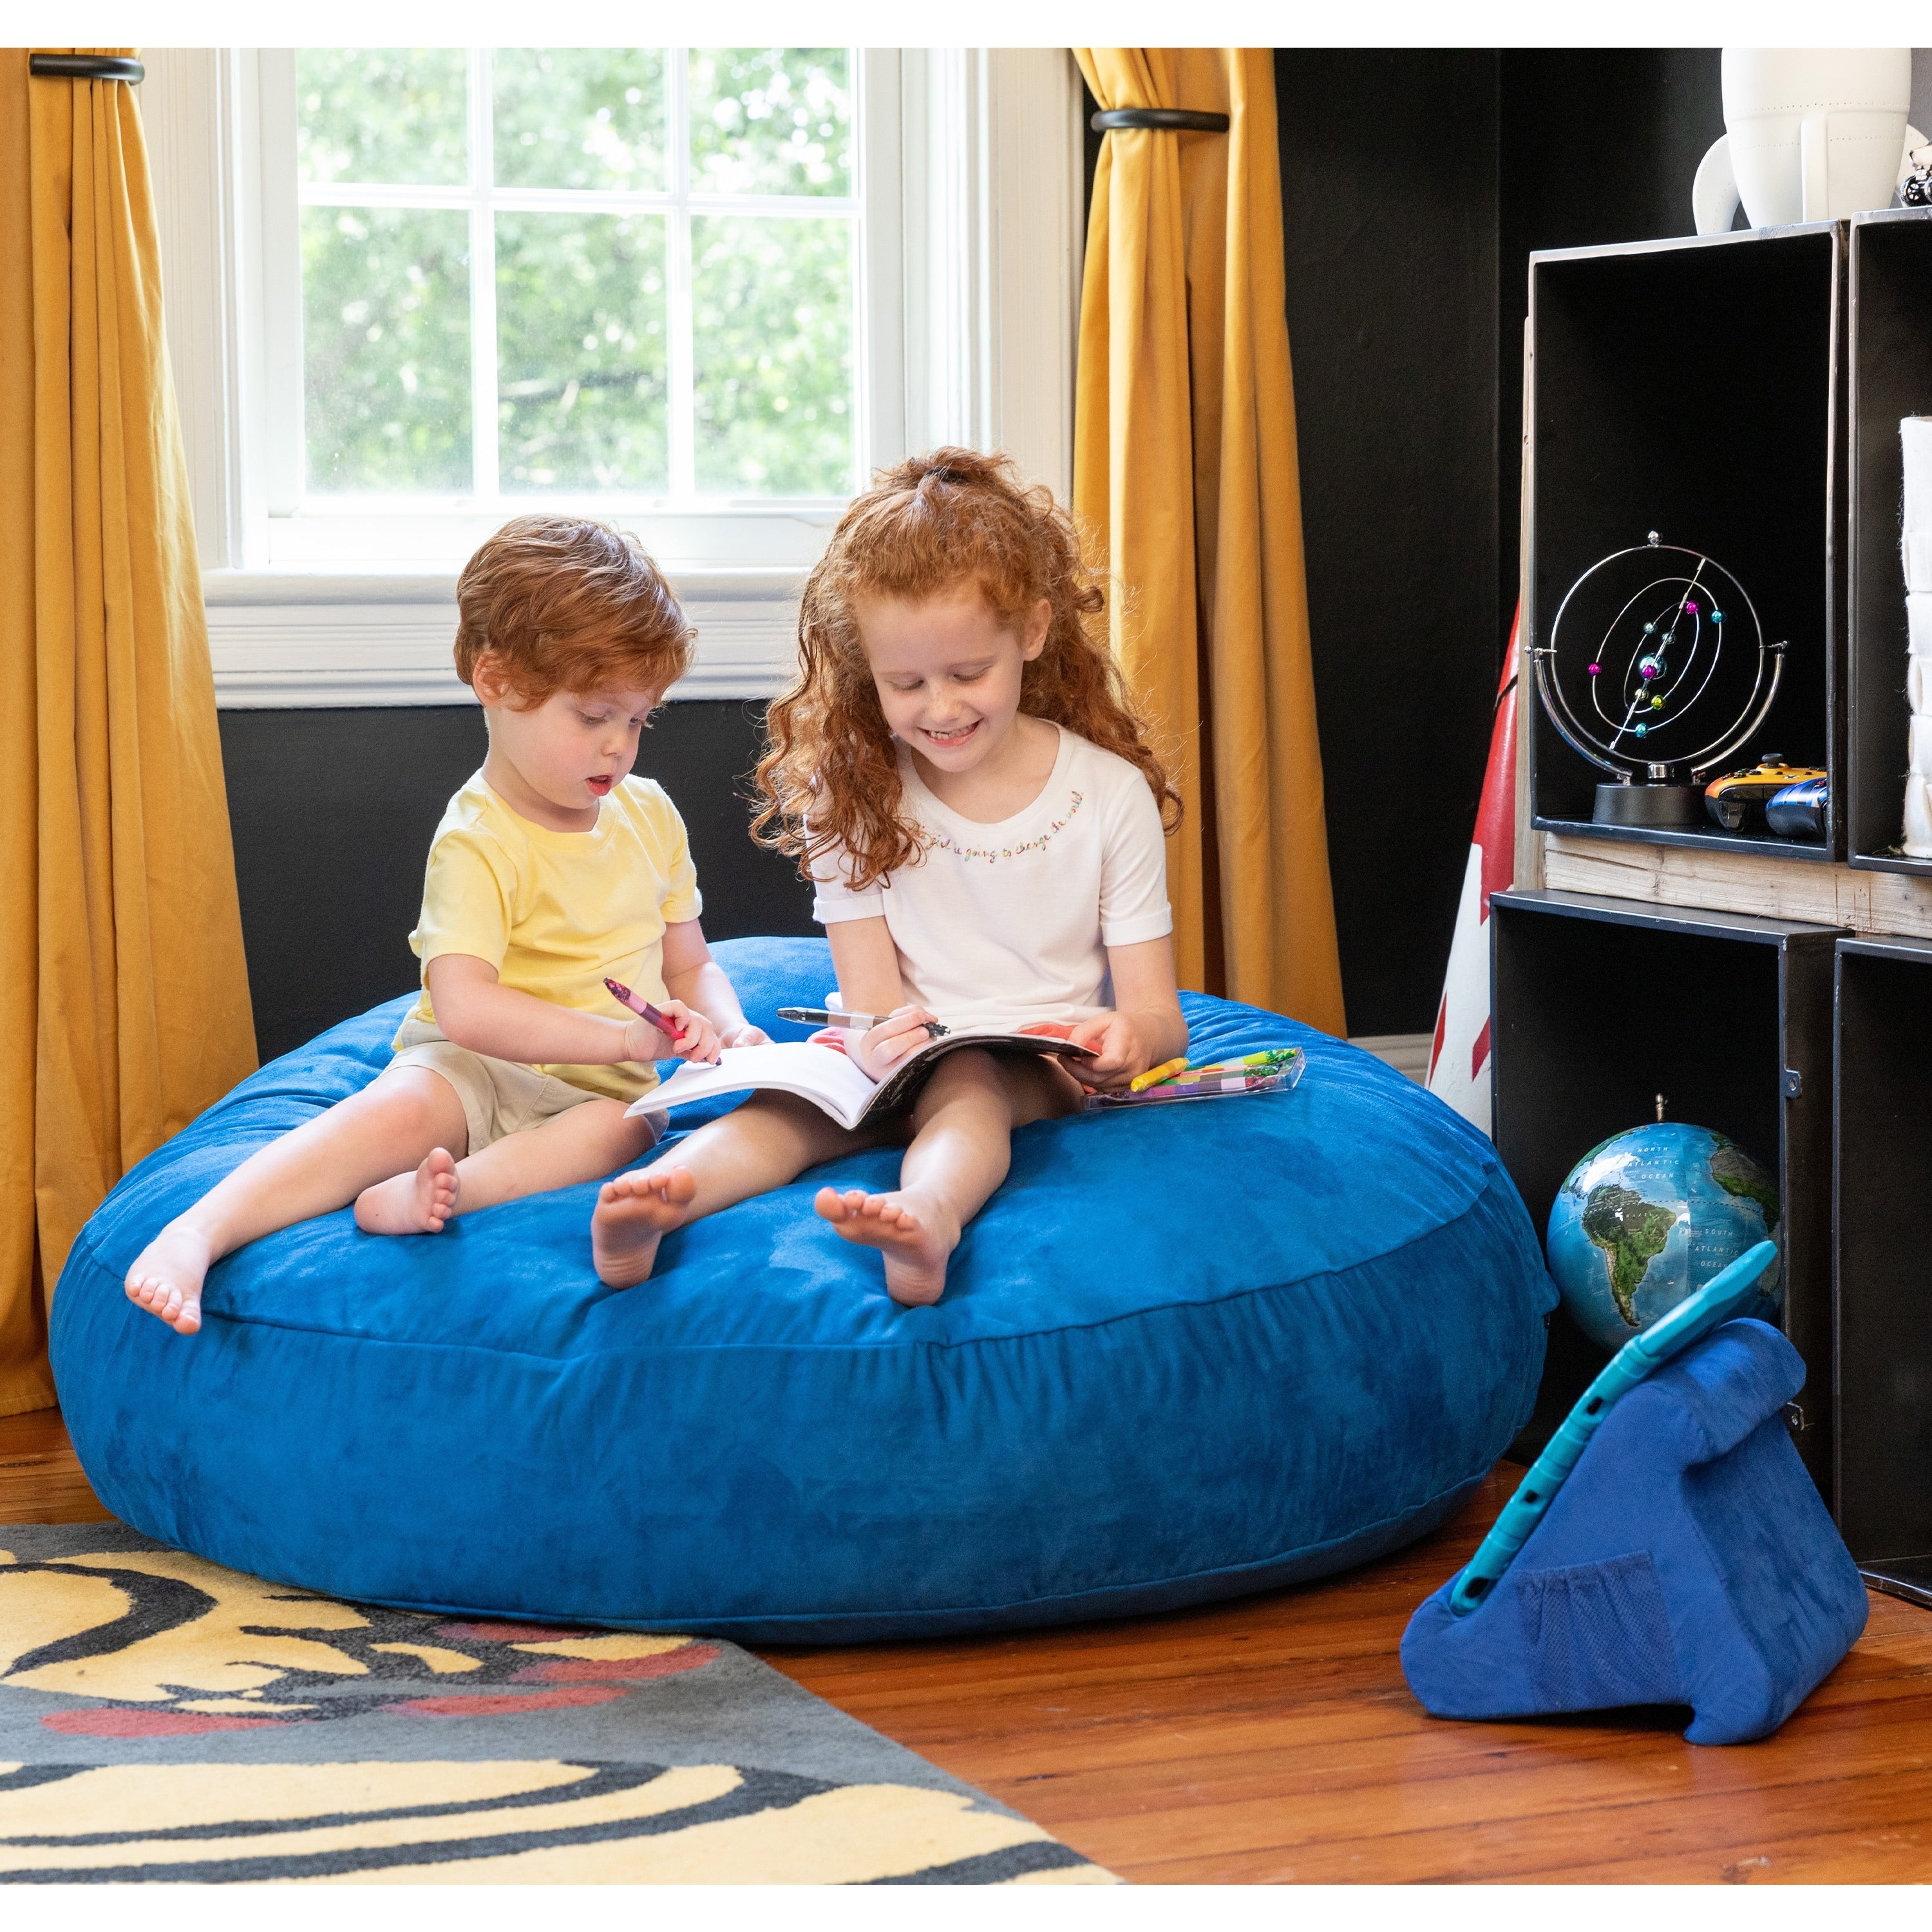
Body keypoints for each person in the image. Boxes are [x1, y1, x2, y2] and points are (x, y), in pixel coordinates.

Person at [124, 515, 768, 1336]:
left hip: (602, 1092)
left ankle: (438, 1194)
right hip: (474, 1065)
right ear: (494, 679)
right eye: (593, 716)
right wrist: (622, 1039)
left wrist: (728, 1026)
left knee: (628, 1128)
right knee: (400, 1111)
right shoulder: (477, 839)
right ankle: (199, 1231)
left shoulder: (650, 816)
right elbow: (466, 1009)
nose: (619, 747)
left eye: (638, 721)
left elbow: (689, 965)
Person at [590, 449, 1188, 1307]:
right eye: (905, 683)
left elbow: (1159, 1019)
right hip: (891, 1054)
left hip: (1030, 1067)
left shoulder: (1107, 796)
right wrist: (872, 1044)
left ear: (1032, 632)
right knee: (789, 1108)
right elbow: (870, 1001)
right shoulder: (856, 792)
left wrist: (1128, 1041)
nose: (939, 708)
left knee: (968, 1080)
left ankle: (928, 1215)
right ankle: (661, 1199)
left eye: (968, 673)